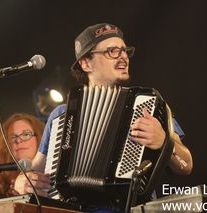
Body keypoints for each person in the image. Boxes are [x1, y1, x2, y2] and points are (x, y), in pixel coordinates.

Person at [14, 23, 193, 201]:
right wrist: (22, 181)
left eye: (124, 50)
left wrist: (164, 141)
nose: (123, 57)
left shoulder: (150, 106)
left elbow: (186, 165)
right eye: (112, 51)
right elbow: (36, 172)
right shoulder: (60, 114)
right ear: (86, 63)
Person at [0, 113, 45, 198]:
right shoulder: (1, 185)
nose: (18, 141)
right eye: (13, 137)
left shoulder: (53, 171)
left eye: (26, 134)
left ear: (40, 138)